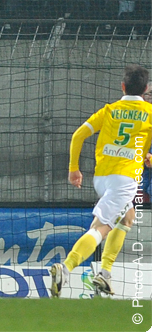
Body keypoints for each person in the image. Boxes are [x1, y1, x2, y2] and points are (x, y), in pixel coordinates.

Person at [50, 65, 152, 297]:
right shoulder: (149, 112)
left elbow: (78, 135)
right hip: (124, 180)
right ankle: (66, 268)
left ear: (123, 86)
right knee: (100, 228)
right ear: (145, 89)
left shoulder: (109, 110)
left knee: (127, 216)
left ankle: (104, 274)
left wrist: (74, 169)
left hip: (101, 178)